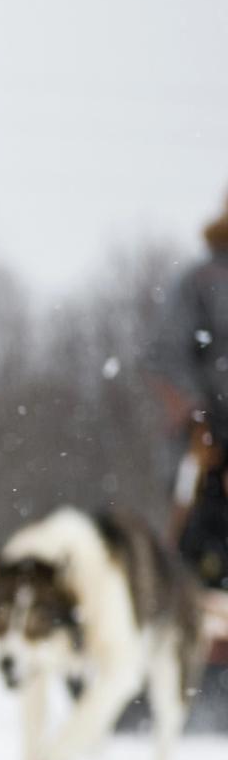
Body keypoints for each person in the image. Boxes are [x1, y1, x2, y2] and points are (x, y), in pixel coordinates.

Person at [150, 192, 228, 585]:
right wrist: (196, 413)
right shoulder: (201, 281)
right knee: (198, 543)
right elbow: (167, 352)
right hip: (207, 440)